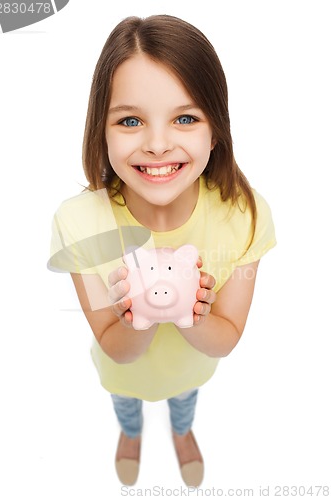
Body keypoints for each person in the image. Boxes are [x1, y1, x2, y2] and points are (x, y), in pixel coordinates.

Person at [49, 14, 276, 487]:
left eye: (185, 118)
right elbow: (117, 348)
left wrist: (190, 314)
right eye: (130, 120)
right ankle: (130, 435)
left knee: (184, 398)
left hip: (193, 367)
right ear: (101, 130)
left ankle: (183, 430)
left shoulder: (245, 215)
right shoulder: (79, 223)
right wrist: (139, 315)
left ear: (215, 131)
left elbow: (228, 336)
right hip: (122, 374)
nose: (156, 144)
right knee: (126, 404)